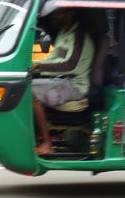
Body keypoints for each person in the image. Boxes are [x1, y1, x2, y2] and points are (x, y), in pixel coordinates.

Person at [32, 9, 95, 155]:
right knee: (25, 86)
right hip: (62, 81)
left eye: (58, 13)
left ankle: (47, 143)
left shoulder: (80, 36)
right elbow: (54, 57)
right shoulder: (63, 33)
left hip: (75, 86)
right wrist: (33, 65)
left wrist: (40, 67)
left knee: (31, 94)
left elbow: (70, 65)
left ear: (70, 14)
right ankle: (34, 139)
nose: (54, 17)